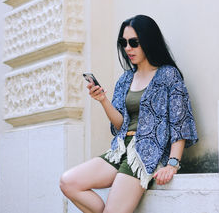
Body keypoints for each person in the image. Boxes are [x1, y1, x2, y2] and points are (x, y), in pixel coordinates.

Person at [59, 14, 198, 213]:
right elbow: (120, 125)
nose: (127, 48)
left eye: (134, 42)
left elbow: (180, 123)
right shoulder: (125, 79)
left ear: (148, 41)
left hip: (147, 153)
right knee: (68, 182)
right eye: (123, 43)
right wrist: (103, 100)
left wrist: (172, 164)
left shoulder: (168, 75)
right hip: (120, 149)